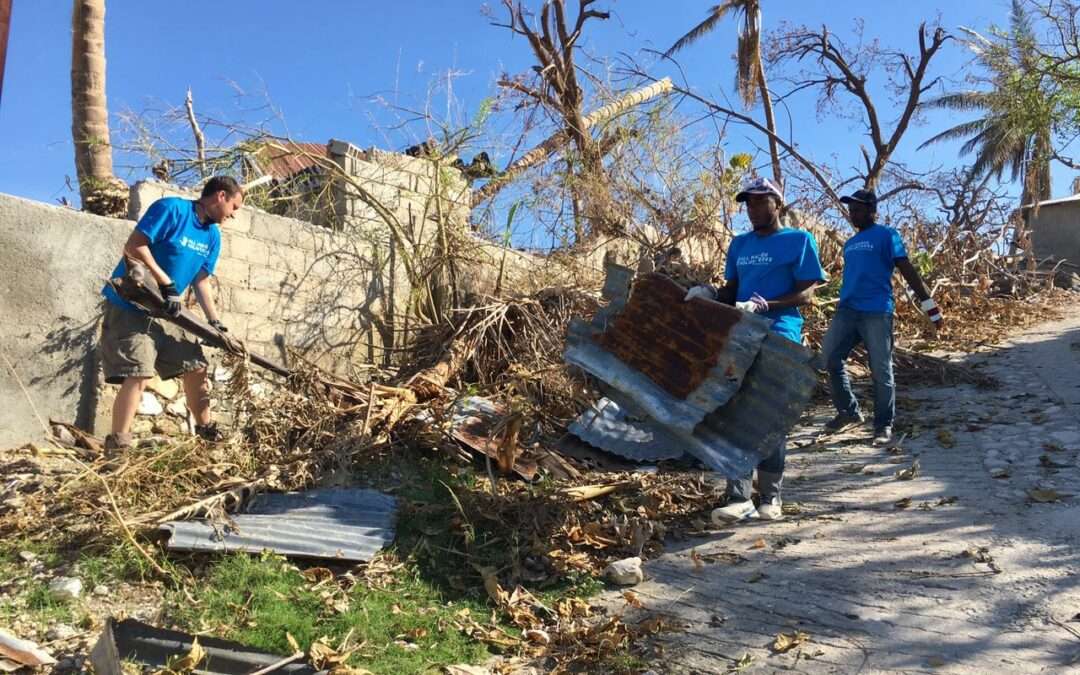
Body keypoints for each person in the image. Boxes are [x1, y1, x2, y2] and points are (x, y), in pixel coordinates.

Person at [685, 177, 826, 522]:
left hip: (780, 335)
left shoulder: (798, 240)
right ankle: (738, 496)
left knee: (770, 415)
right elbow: (732, 290)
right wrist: (709, 293)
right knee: (735, 411)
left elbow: (807, 293)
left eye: (761, 201)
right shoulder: (740, 244)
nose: (753, 209)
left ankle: (771, 496)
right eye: (748, 203)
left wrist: (767, 305)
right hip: (741, 335)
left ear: (778, 204)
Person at [99, 176, 244, 451]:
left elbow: (201, 281)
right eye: (234, 207)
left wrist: (214, 322)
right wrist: (165, 282)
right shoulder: (172, 209)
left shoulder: (212, 235)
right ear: (221, 196)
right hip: (133, 305)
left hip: (168, 312)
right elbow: (134, 246)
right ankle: (118, 447)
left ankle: (206, 436)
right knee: (139, 374)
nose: (233, 214)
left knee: (196, 366)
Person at [821, 189, 942, 445]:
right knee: (830, 358)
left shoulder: (887, 235)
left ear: (871, 210)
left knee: (881, 369)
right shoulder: (850, 244)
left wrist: (929, 305)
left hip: (876, 310)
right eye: (851, 210)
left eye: (858, 209)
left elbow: (906, 268)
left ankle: (883, 425)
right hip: (847, 311)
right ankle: (849, 412)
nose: (853, 214)